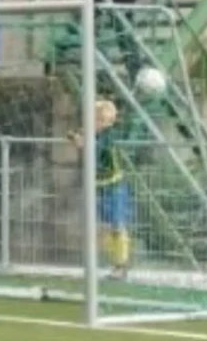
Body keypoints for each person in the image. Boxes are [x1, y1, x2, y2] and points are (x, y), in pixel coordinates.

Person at [68, 98, 133, 280]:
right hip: (99, 187)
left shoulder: (109, 136)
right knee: (105, 227)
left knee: (118, 225)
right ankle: (114, 262)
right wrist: (76, 136)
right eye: (93, 119)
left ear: (108, 122)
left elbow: (95, 149)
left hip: (114, 186)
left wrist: (82, 143)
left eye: (99, 120)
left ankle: (121, 265)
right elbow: (77, 136)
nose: (94, 123)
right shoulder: (94, 134)